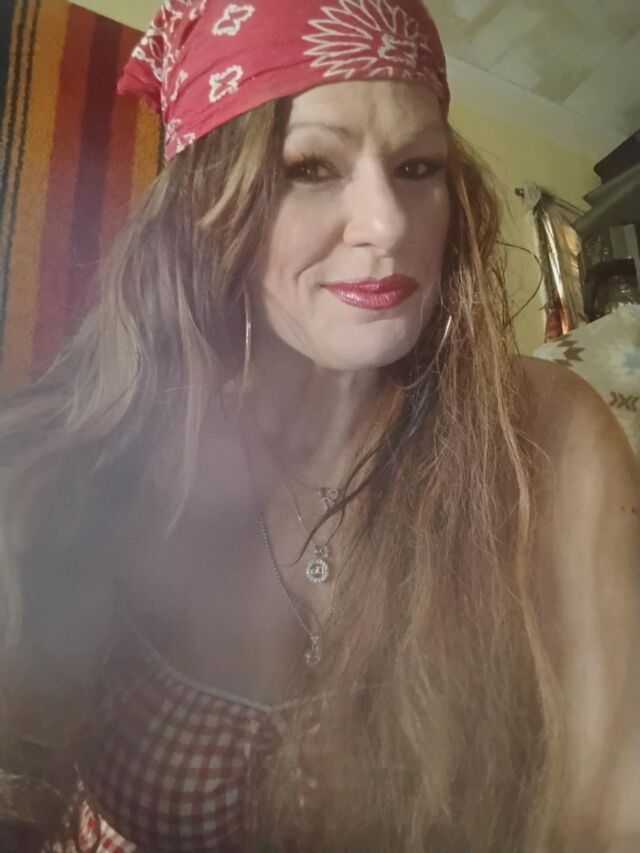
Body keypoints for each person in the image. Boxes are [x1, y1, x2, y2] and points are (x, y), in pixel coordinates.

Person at [1, 0, 639, 851]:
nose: (389, 223)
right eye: (309, 166)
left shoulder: (547, 438)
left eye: (418, 167)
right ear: (207, 206)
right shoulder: (86, 461)